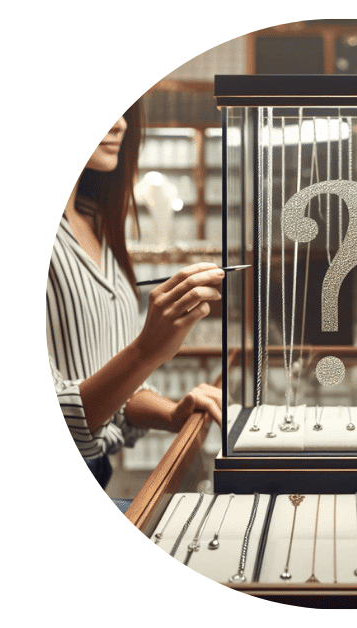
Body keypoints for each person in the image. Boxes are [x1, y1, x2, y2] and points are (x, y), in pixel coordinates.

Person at [47, 101, 225, 489]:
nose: (119, 124)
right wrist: (147, 351)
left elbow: (109, 384)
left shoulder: (96, 221)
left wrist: (172, 413)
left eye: (122, 108)